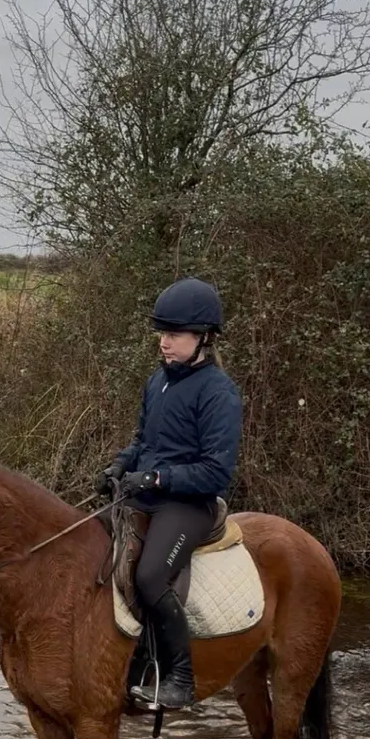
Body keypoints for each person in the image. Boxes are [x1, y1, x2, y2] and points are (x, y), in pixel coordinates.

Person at [95, 277, 243, 709]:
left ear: (203, 338)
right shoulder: (156, 382)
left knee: (149, 575)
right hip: (145, 497)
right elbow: (144, 440)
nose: (164, 342)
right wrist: (121, 464)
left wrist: (158, 479)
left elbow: (216, 471)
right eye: (162, 333)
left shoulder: (219, 393)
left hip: (188, 505)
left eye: (174, 334)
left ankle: (179, 677)